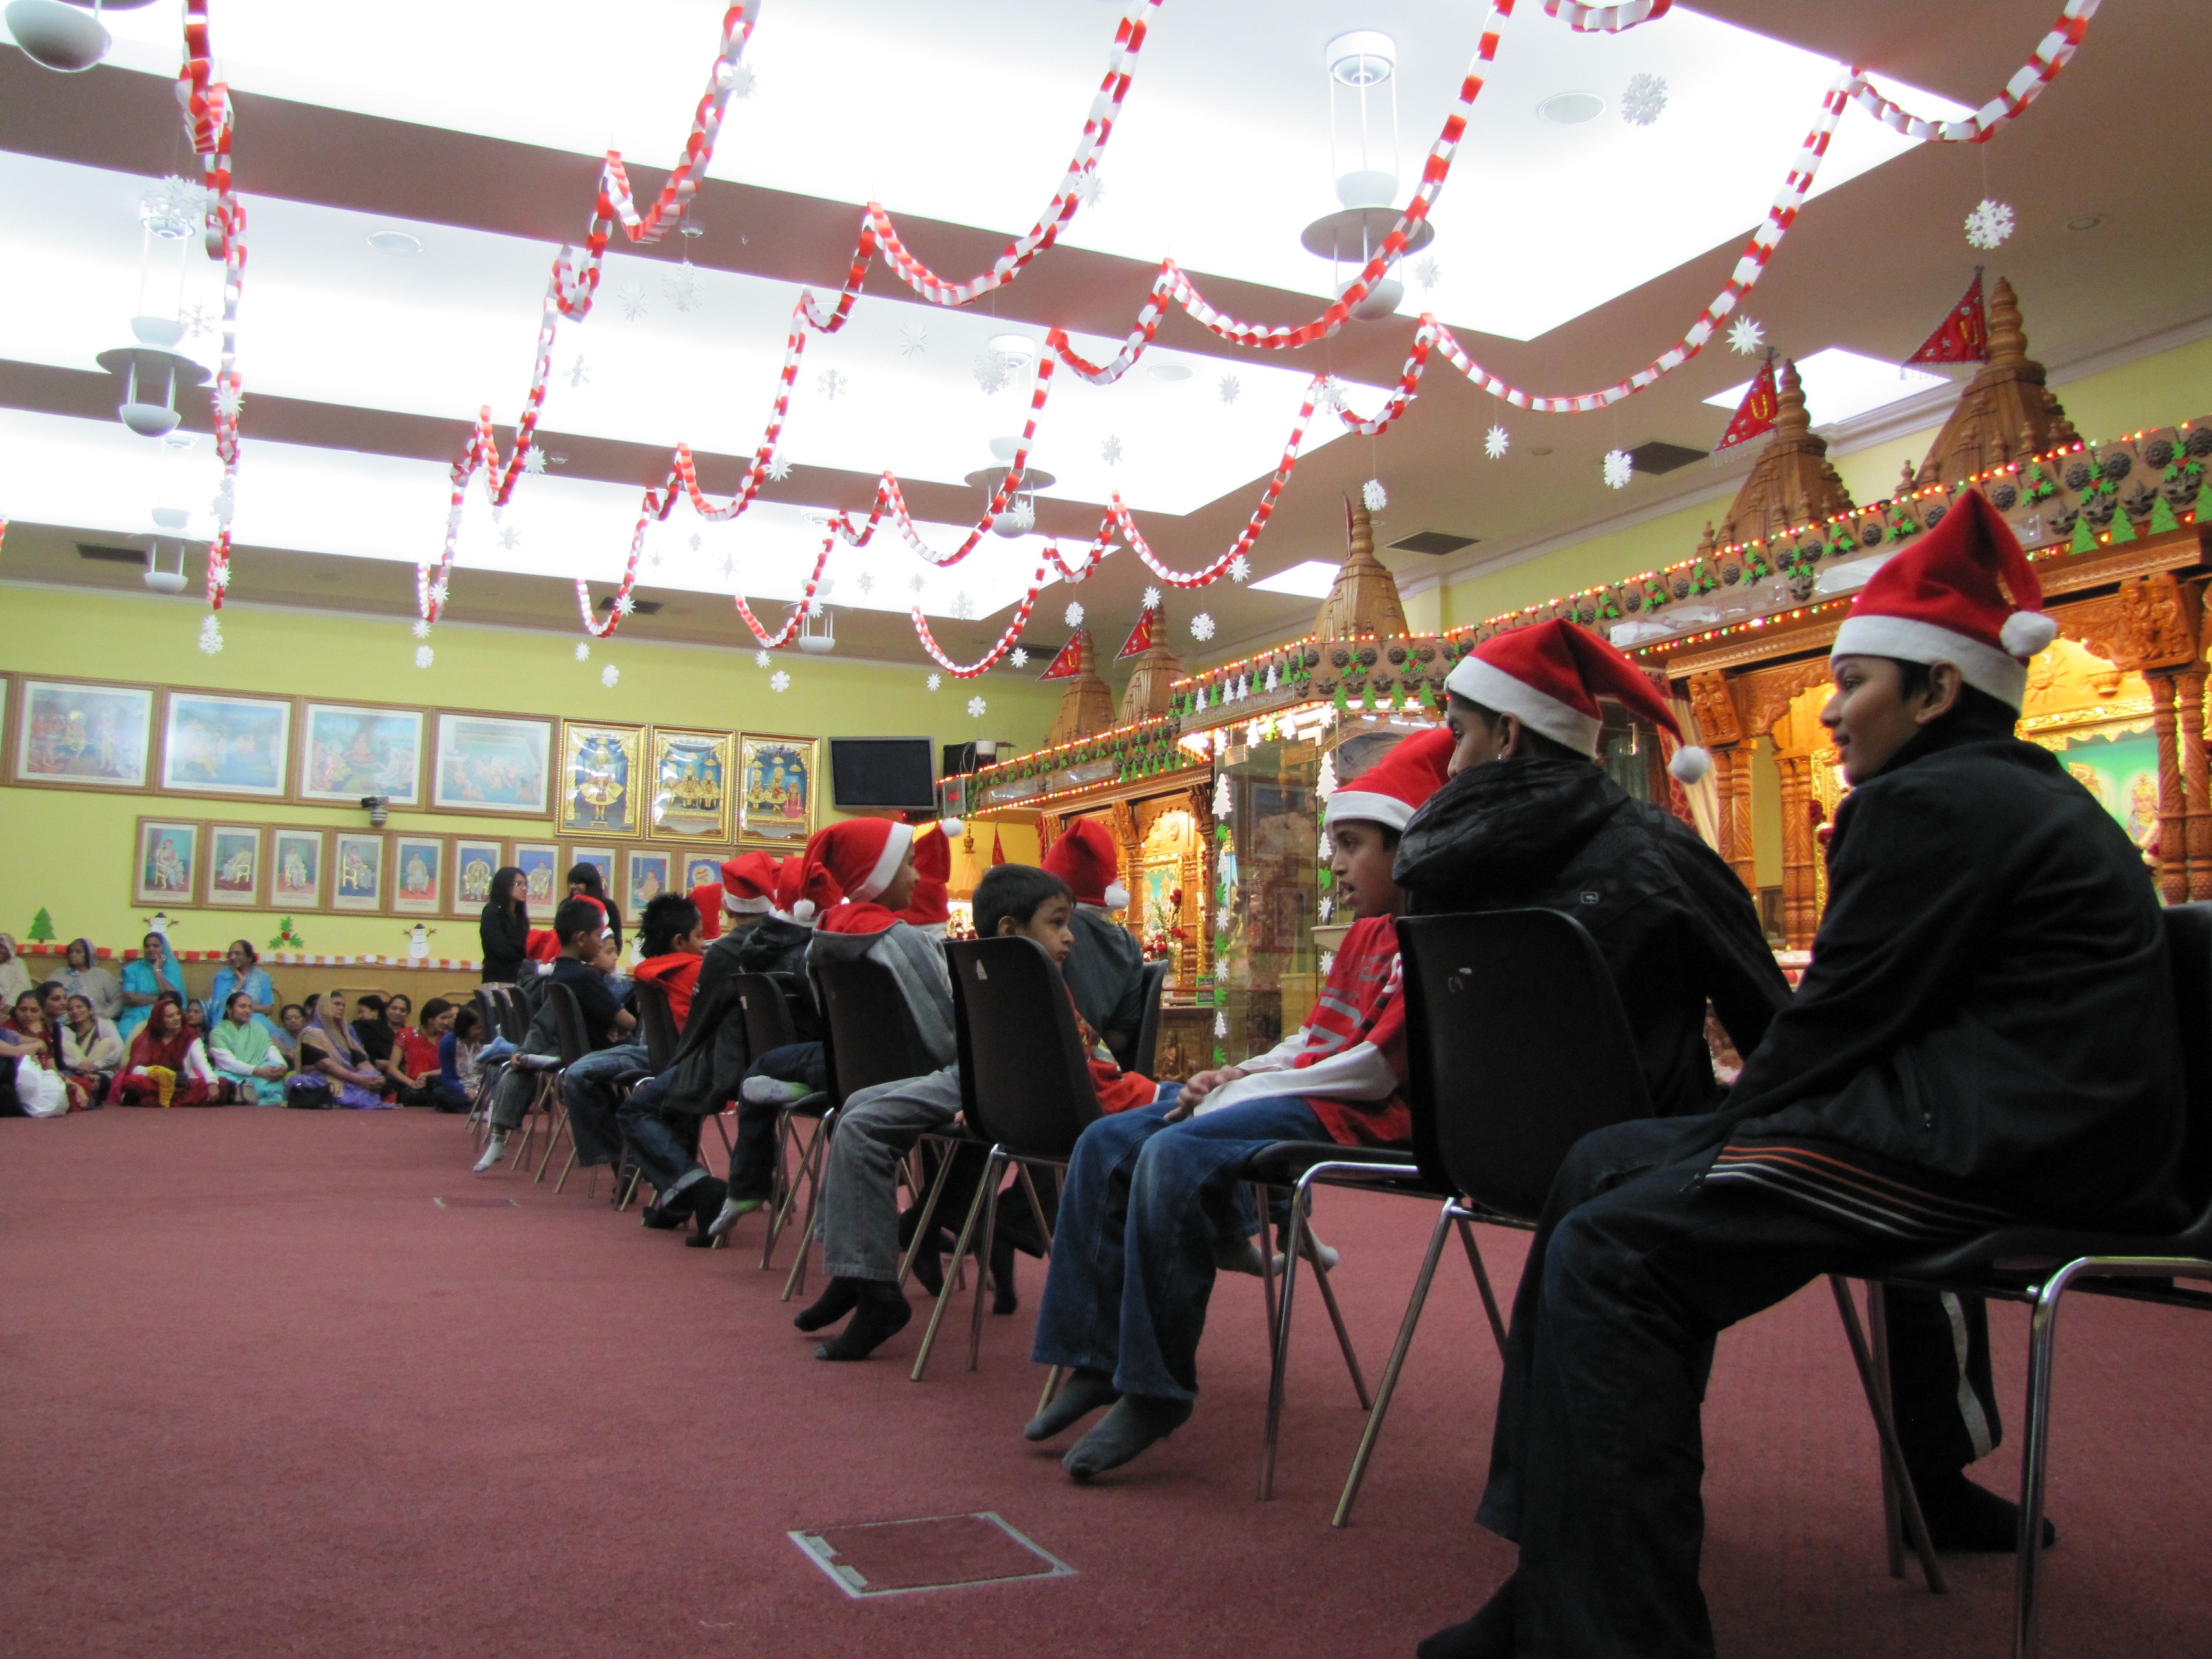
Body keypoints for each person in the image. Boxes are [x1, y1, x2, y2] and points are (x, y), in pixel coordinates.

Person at [1424, 492, 2188, 1659]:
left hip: (1997, 1143)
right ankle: (1555, 1583)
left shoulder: (1936, 798)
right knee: (1599, 1164)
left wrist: (1719, 1130)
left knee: (1616, 1244)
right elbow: (1853, 1020)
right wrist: (1708, 1131)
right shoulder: (1988, 791)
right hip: (1974, 1115)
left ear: (1937, 690)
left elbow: (1838, 1020)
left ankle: (1618, 1632)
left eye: (1856, 684)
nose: (1829, 712)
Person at [1023, 728, 1451, 1475]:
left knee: (1175, 1150)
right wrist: (1237, 1074)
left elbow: (1372, 1074)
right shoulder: (1363, 934)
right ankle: (1094, 1356)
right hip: (1317, 1093)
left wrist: (1254, 1087)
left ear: (1406, 847)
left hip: (1370, 1118)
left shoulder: (1428, 935)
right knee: (1106, 1142)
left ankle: (1157, 1385)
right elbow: (1314, 1041)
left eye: (1353, 845)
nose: (1337, 863)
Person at [629, 853, 793, 1239]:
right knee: (679, 1090)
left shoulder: (723, 953)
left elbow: (699, 1024)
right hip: (781, 1068)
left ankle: (695, 1187)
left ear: (728, 907)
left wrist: (676, 1066)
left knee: (641, 1108)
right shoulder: (795, 943)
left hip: (729, 1067)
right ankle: (698, 1194)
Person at [546, 892, 715, 1218]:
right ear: (680, 941)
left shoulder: (646, 970)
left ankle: (623, 1159)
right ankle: (626, 1159)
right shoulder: (699, 970)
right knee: (581, 1073)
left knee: (579, 1073)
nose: (703, 943)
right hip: (670, 1059)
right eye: (699, 936)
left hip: (655, 1058)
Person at [474, 897, 636, 1171]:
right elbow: (629, 1021)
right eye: (599, 937)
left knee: (522, 1065)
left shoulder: (559, 974)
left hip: (570, 1054)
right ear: (582, 938)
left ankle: (500, 1134)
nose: (601, 944)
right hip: (594, 1058)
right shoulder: (585, 978)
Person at [1043, 817, 1148, 1057]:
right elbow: (1120, 1036)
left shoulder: (1040, 934)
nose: (1067, 937)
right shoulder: (1128, 945)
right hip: (1100, 1069)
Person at [110, 992, 220, 1107]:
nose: (177, 1018)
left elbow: (202, 1063)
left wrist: (212, 1082)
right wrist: (160, 1073)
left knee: (220, 1084)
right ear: (160, 1020)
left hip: (181, 1085)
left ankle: (155, 1099)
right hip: (155, 1083)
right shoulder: (146, 1038)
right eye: (170, 1016)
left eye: (178, 1014)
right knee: (132, 1082)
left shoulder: (189, 1036)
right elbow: (134, 1069)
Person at [294, 992, 390, 1109]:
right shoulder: (313, 1032)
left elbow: (361, 1061)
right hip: (322, 1077)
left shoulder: (347, 1031)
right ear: (324, 1006)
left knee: (372, 1076)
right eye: (337, 1004)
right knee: (300, 1082)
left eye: (343, 1005)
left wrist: (376, 1077)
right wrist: (358, 1079)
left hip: (346, 1077)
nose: (341, 1008)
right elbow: (326, 1065)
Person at [206, 990, 288, 1105]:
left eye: (250, 1007)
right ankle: (255, 1095)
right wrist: (256, 1071)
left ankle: (254, 1096)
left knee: (274, 1066)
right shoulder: (218, 1033)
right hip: (232, 1074)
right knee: (219, 1079)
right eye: (242, 1006)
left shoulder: (258, 1027)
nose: (247, 1011)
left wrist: (282, 1066)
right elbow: (228, 1062)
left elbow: (270, 1049)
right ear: (229, 1009)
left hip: (258, 1071)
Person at [4, 992, 76, 1115]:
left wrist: (68, 1082)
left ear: (42, 1013)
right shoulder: (8, 1027)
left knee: (74, 1083)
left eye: (34, 1011)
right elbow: (20, 1058)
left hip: (41, 1075)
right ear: (16, 1011)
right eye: (23, 1010)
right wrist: (32, 1037)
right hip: (16, 1079)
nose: (28, 1015)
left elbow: (50, 1065)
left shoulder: (43, 1031)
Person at [116, 932, 185, 1040]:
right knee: (128, 1033)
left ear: (163, 948)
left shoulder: (172, 969)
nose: (151, 949)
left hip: (163, 1015)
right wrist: (159, 999)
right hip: (135, 1015)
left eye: (156, 946)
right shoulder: (133, 969)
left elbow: (173, 999)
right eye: (147, 946)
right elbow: (129, 998)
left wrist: (157, 971)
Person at [209, 940, 279, 1038]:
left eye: (238, 954)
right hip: (228, 1022)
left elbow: (269, 1009)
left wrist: (244, 1009)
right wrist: (240, 983)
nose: (233, 957)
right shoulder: (223, 976)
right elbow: (218, 1006)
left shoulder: (262, 977)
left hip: (257, 1024)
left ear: (249, 957)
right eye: (231, 954)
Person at [60, 993, 123, 1103]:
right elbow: (61, 1057)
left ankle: (87, 1083)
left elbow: (119, 1050)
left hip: (102, 1072)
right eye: (70, 1009)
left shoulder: (105, 1025)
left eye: (79, 1007)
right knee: (68, 1046)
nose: (75, 1011)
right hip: (76, 1072)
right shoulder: (64, 1030)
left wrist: (97, 1065)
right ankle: (87, 1082)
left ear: (89, 1010)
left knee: (108, 1043)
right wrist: (78, 1065)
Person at [479, 866, 531, 984]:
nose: (524, 889)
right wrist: (523, 949)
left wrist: (520, 947)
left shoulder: (520, 915)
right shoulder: (492, 911)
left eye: (525, 885)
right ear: (504, 885)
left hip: (519, 978)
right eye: (518, 884)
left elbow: (528, 946)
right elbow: (501, 949)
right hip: (498, 978)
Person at [351, 994, 403, 1100]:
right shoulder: (390, 1032)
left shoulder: (359, 1027)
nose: (360, 1016)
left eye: (362, 1012)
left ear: (375, 1013)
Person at [59, 938, 122, 1020]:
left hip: (97, 1021)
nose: (73, 955)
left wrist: (105, 1015)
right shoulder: (60, 974)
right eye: (70, 952)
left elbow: (120, 999)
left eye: (78, 952)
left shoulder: (101, 974)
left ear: (88, 954)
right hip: (67, 1021)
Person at [437, 1004, 485, 1113]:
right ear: (466, 1027)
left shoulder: (488, 1040)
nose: (482, 1031)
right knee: (439, 1093)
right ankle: (476, 1106)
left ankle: (477, 1105)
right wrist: (466, 1090)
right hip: (462, 1089)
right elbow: (448, 1078)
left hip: (484, 1088)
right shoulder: (448, 1042)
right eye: (478, 1028)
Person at [566, 862, 624, 953]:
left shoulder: (609, 906)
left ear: (590, 884)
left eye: (578, 883)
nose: (573, 887)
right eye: (571, 883)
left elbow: (616, 942)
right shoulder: (567, 905)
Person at [272, 1003, 309, 1070]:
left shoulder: (310, 1033)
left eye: (297, 1017)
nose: (293, 1021)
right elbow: (280, 1051)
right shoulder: (278, 1034)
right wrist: (291, 1054)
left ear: (304, 1019)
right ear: (282, 1022)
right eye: (288, 1018)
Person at [0, 933, 31, 1007]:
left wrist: (9, 1003)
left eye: (2, 947)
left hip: (14, 1005)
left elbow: (23, 985)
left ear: (10, 948)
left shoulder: (18, 963)